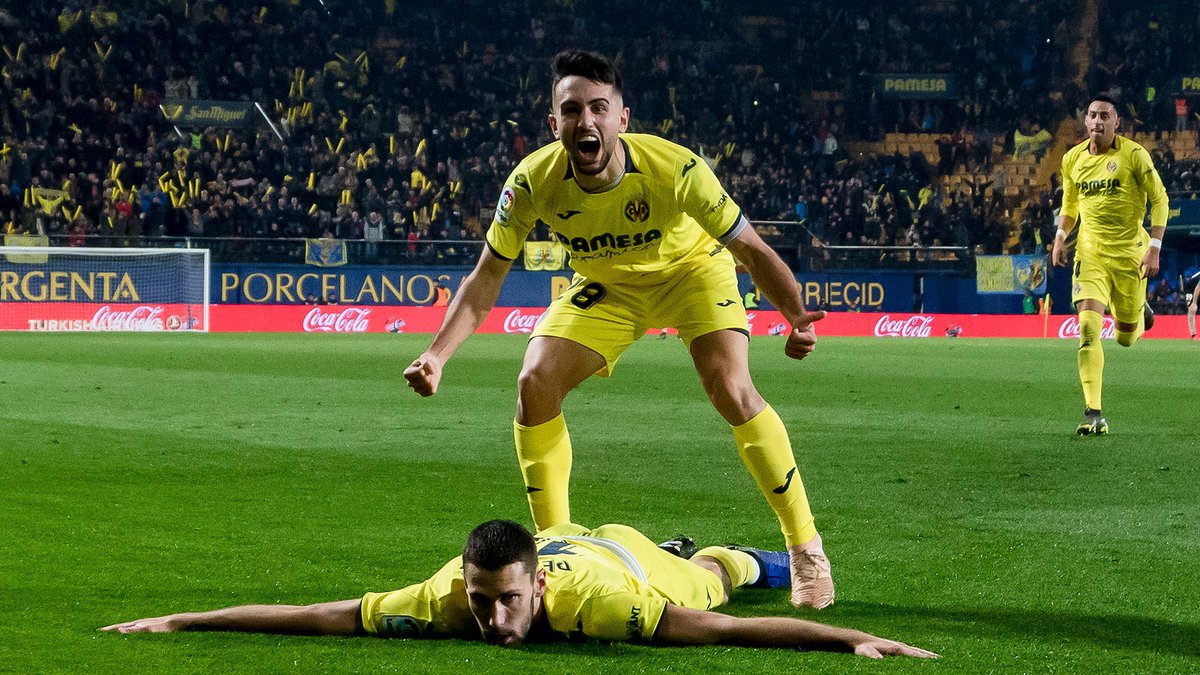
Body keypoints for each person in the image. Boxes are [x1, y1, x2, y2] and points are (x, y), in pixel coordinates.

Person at [403, 51, 834, 608]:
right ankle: (555, 549)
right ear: (553, 122)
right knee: (534, 382)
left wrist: (796, 315)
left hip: (692, 272)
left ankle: (805, 548)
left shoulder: (676, 169)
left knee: (731, 389)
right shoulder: (532, 182)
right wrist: (438, 355)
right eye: (572, 109)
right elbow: (486, 279)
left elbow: (749, 248)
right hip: (608, 285)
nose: (586, 121)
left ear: (621, 120)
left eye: (599, 108)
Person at [101, 519, 938, 660]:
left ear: (533, 586)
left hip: (624, 557)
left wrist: (849, 638)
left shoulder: (602, 608)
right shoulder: (439, 598)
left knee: (717, 582)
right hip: (558, 541)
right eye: (480, 598)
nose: (493, 616)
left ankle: (740, 551)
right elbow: (320, 615)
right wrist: (181, 617)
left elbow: (723, 636)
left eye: (507, 599)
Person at [1051, 93, 1169, 435]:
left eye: (1105, 115)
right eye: (1092, 115)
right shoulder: (1072, 159)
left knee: (1126, 339)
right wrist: (1060, 236)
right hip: (1090, 254)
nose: (1098, 121)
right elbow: (1070, 202)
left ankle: (1140, 306)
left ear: (1117, 123)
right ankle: (1094, 413)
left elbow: (1160, 200)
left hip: (1132, 254)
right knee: (1088, 329)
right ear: (1085, 121)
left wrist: (1155, 247)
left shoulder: (1134, 155)